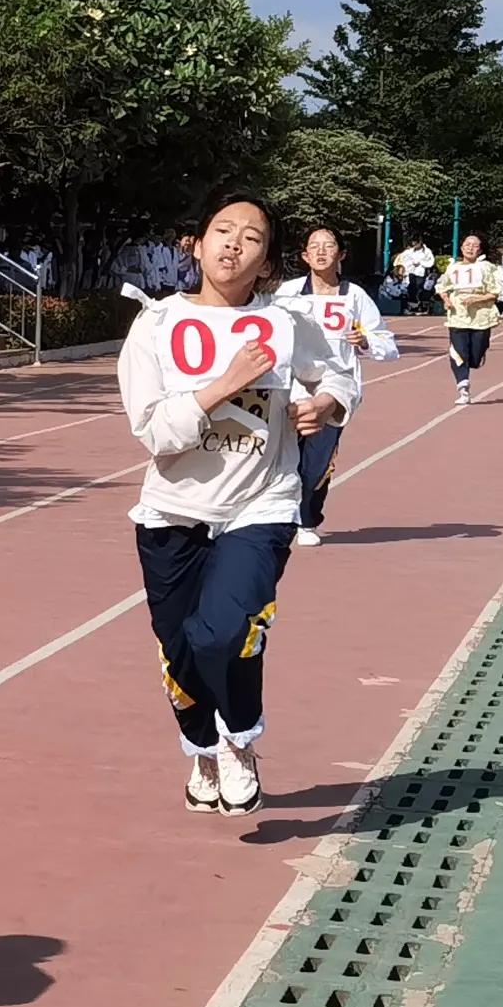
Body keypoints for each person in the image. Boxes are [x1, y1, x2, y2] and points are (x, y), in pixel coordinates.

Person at [122, 191, 362, 815]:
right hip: (172, 510)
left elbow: (338, 375)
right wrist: (226, 384)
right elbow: (154, 432)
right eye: (222, 231)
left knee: (224, 631)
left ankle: (238, 740)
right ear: (197, 245)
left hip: (260, 504)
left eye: (251, 237)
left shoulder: (286, 324)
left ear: (268, 261)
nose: (234, 243)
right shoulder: (157, 324)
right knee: (180, 648)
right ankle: (202, 751)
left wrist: (324, 405)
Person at [270, 225, 394, 546]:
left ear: (341, 254)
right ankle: (282, 517)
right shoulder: (286, 293)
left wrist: (365, 341)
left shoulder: (354, 296)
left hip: (334, 390)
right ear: (305, 255)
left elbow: (387, 343)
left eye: (329, 245)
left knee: (316, 462)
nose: (321, 251)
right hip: (290, 388)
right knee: (282, 457)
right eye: (314, 246)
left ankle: (307, 519)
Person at [435, 233, 503, 401]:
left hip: (481, 316)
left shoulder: (487, 267)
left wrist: (477, 299)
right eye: (467, 244)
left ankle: (476, 357)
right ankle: (463, 386)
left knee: (475, 355)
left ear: (480, 250)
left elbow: (495, 292)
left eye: (474, 245)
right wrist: (446, 300)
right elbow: (442, 287)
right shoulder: (453, 267)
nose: (470, 248)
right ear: (461, 247)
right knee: (458, 351)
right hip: (458, 314)